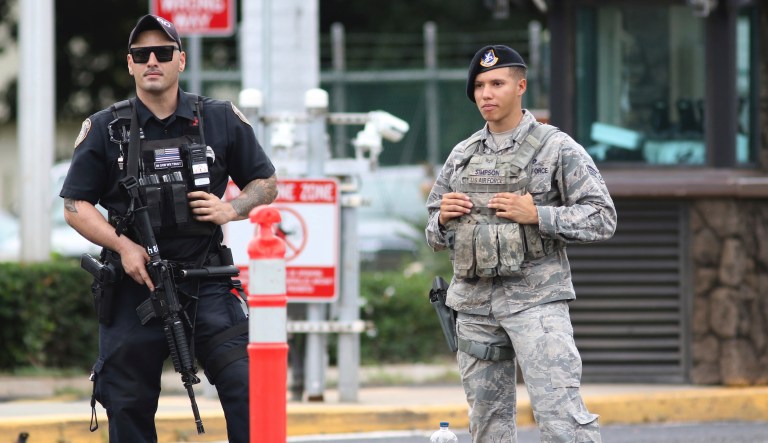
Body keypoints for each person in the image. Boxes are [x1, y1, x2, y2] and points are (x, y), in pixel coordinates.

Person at [60, 15, 277, 443]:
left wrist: (231, 209)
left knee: (247, 388)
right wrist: (123, 246)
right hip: (134, 285)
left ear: (180, 60)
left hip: (208, 281)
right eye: (142, 55)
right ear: (130, 65)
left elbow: (266, 182)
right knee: (126, 403)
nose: (152, 61)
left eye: (162, 52)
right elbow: (74, 204)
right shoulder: (106, 128)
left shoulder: (218, 118)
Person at [425, 44, 616, 442]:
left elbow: (602, 217)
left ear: (521, 86)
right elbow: (434, 234)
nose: (486, 94)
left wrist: (540, 216)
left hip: (537, 303)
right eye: (479, 85)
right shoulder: (462, 154)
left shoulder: (556, 147)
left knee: (561, 419)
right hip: (474, 307)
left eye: (497, 83)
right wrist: (442, 219)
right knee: (487, 425)